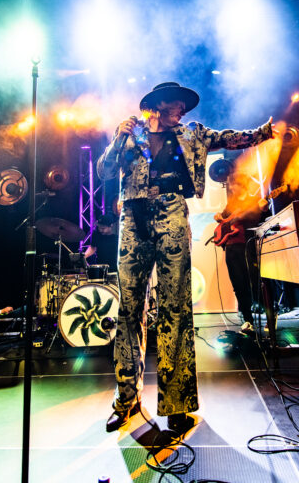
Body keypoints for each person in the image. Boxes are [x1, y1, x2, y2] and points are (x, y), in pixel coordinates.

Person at [98, 82, 273, 432]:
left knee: (175, 308)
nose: (181, 109)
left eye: (183, 105)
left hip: (173, 213)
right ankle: (125, 399)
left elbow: (227, 138)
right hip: (133, 217)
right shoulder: (130, 133)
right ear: (157, 105)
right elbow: (105, 170)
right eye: (175, 104)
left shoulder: (191, 133)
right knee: (129, 308)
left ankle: (177, 402)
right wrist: (118, 138)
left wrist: (262, 133)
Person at [213, 172, 270, 334]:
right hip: (231, 248)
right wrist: (218, 216)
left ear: (241, 184)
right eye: (231, 184)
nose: (231, 187)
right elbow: (223, 219)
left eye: (234, 184)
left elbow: (264, 218)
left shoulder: (254, 201)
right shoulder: (231, 204)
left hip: (248, 246)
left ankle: (270, 317)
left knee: (257, 282)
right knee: (238, 284)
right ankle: (247, 320)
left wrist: (264, 209)